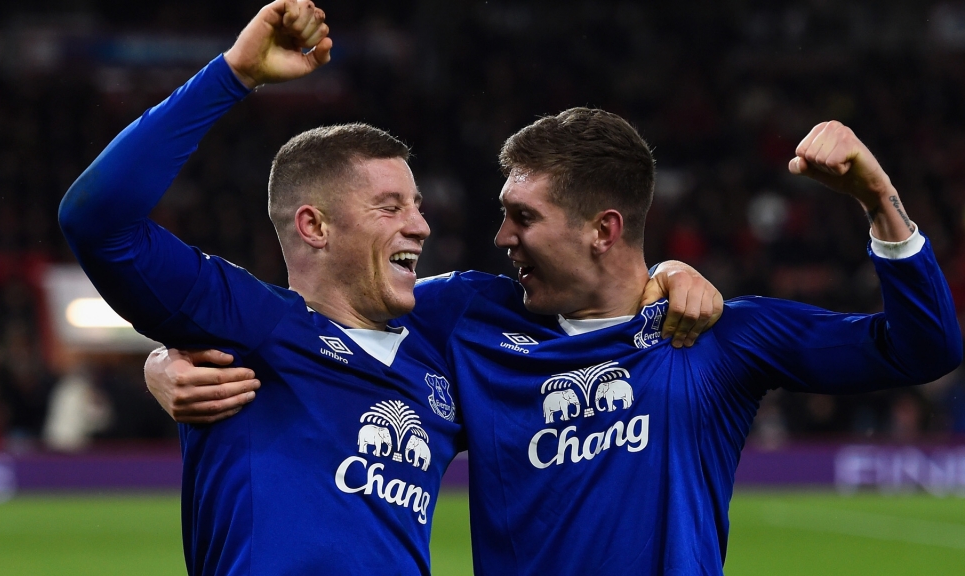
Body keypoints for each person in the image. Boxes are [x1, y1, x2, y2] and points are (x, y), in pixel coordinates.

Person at [59, 1, 719, 574]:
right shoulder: (244, 326)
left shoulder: (447, 331)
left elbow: (588, 289)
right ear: (314, 225)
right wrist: (233, 75)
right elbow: (96, 218)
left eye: (418, 204)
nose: (422, 225)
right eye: (391, 207)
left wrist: (664, 274)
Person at [152, 111, 962, 574]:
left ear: (604, 229)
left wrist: (880, 201)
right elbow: (315, 323)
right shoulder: (468, 321)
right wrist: (167, 361)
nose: (499, 236)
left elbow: (921, 349)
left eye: (524, 218)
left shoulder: (721, 337)